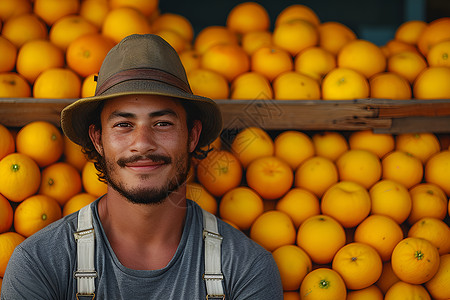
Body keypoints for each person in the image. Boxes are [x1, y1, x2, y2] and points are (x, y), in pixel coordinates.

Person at [1, 34, 283, 299]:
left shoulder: (246, 269)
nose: (143, 143)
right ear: (98, 139)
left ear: (192, 136)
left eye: (162, 124)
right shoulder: (40, 264)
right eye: (124, 125)